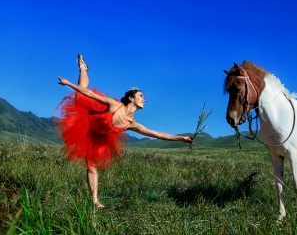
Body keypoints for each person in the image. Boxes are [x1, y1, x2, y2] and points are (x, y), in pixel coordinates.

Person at [54, 54, 193, 207]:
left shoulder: (132, 124)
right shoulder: (114, 105)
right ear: (131, 98)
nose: (144, 99)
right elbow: (90, 94)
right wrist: (68, 83)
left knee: (92, 166)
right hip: (86, 119)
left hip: (97, 137)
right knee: (82, 91)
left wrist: (180, 138)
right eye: (141, 96)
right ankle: (83, 68)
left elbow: (158, 134)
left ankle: (94, 200)